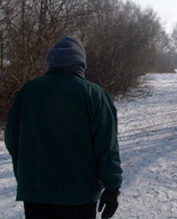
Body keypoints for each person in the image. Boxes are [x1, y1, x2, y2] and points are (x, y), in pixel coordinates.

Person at [5, 37, 123, 219]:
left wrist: (28, 175)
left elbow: (12, 140)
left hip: (36, 193)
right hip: (79, 196)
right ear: (81, 63)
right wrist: (112, 188)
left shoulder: (28, 92)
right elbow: (106, 147)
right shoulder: (94, 95)